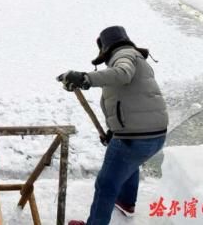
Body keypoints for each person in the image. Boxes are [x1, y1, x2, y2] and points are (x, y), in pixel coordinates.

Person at [57, 26, 168, 225]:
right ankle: (126, 202)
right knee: (129, 163)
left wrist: (85, 79)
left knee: (106, 184)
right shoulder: (136, 58)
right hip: (154, 137)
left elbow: (122, 74)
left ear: (107, 48)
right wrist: (114, 132)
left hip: (135, 138)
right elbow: (130, 101)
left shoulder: (123, 56)